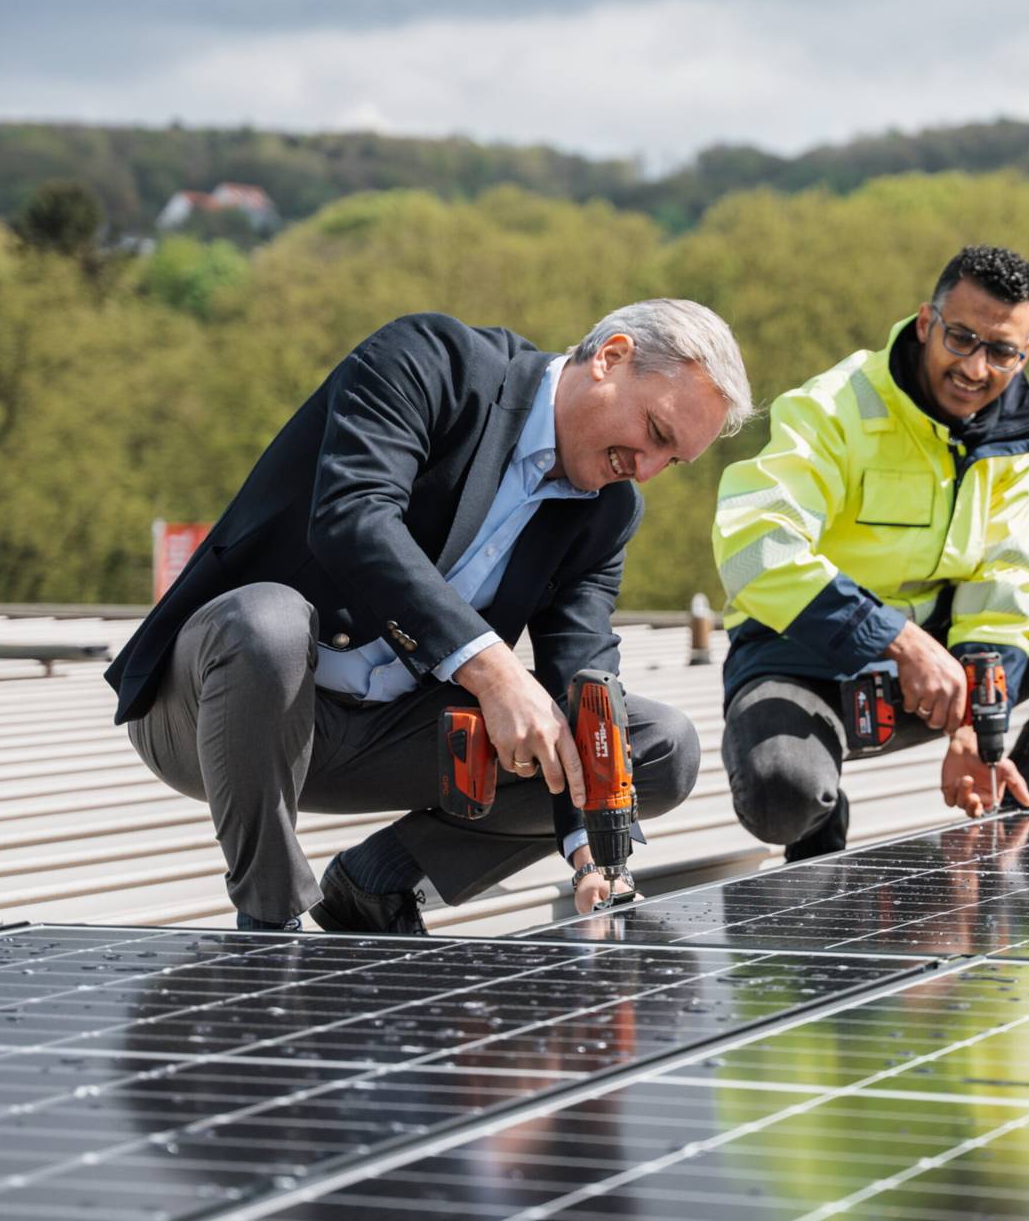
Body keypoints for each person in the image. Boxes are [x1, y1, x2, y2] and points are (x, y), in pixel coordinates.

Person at [105, 302, 753, 933]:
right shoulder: (431, 362)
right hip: (220, 711)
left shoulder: (606, 512)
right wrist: (494, 672)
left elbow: (578, 669)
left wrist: (594, 850)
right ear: (612, 357)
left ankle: (376, 882)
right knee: (265, 622)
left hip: (385, 741)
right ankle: (271, 922)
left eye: (671, 461)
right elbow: (353, 519)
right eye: (656, 433)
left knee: (657, 749)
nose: (645, 468)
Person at [711, 245, 1029, 859]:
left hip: (941, 668)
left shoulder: (1013, 430)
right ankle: (820, 853)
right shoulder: (834, 407)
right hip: (804, 657)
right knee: (782, 794)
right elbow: (753, 547)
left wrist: (985, 720)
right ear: (926, 323)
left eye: (1001, 352)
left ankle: (1025, 827)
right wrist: (895, 638)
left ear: (1024, 354)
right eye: (961, 338)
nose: (977, 369)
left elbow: (1003, 576)